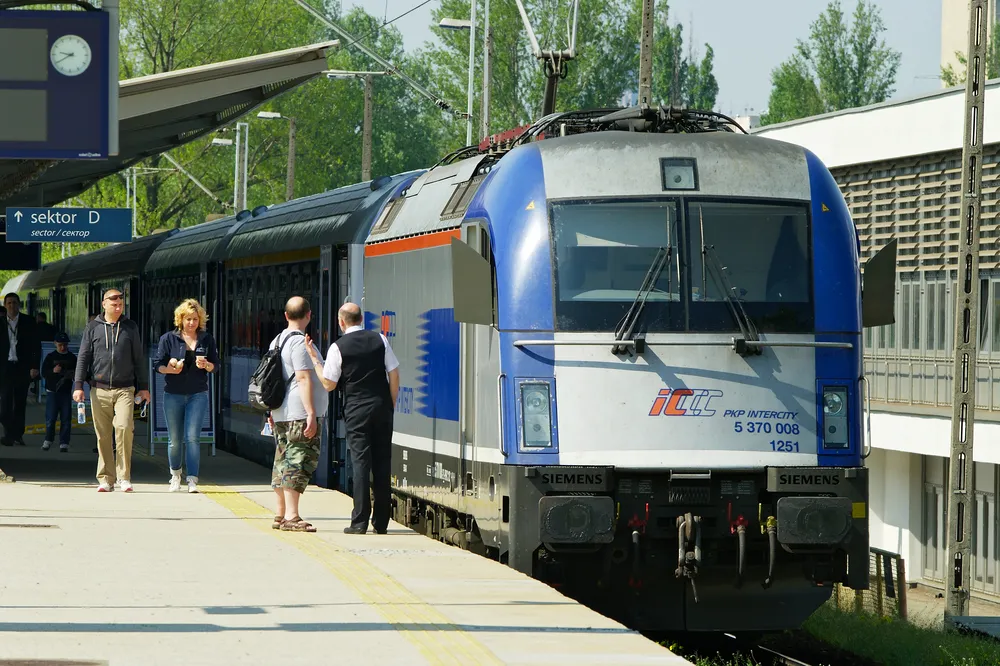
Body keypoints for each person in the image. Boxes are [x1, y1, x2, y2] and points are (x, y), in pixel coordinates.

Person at [305, 302, 399, 535]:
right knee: (382, 463)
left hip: (357, 410)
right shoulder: (380, 339)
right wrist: (390, 405)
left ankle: (359, 522)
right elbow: (394, 374)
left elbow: (329, 384)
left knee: (360, 463)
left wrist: (316, 361)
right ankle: (381, 522)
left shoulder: (338, 347)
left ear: (341, 321)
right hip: (381, 407)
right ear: (361, 319)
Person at [73, 288, 150, 492]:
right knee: (103, 435)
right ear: (104, 304)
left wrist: (144, 388)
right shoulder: (92, 328)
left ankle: (124, 476)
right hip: (99, 389)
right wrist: (78, 385)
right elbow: (83, 357)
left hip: (125, 388)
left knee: (124, 428)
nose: (118, 306)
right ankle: (106, 478)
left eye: (121, 303)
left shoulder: (130, 327)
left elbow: (139, 359)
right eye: (114, 303)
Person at [266, 296, 327, 532]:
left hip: (281, 410)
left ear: (286, 315)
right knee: (298, 460)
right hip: (297, 412)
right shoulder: (300, 343)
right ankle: (292, 516)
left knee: (282, 460)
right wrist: (311, 413)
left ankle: (280, 514)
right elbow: (303, 377)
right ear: (309, 315)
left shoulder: (277, 340)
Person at [155, 298, 219, 493]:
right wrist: (171, 368)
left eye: (195, 319)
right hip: (173, 394)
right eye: (188, 319)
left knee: (192, 437)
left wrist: (207, 366)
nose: (191, 323)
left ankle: (192, 479)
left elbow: (216, 365)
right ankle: (175, 475)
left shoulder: (206, 339)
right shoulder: (168, 339)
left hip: (197, 394)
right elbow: (157, 365)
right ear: (180, 319)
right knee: (174, 439)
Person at [0, 293, 40, 447]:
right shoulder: (1, 322)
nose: (12, 306)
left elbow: (35, 346)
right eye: (9, 303)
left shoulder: (28, 322)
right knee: (4, 405)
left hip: (22, 367)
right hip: (5, 367)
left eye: (15, 303)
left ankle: (16, 435)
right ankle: (10, 432)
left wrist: (34, 366)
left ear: (19, 305)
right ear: (5, 305)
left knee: (19, 402)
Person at [41, 332, 76, 452]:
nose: (63, 347)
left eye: (65, 345)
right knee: (50, 418)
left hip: (66, 391)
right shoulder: (50, 357)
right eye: (60, 345)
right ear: (55, 344)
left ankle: (64, 442)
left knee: (66, 419)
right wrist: (53, 371)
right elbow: (44, 373)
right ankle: (48, 439)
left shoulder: (72, 357)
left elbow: (78, 371)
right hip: (52, 391)